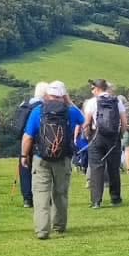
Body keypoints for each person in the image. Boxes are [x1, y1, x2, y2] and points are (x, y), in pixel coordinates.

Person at [21, 81, 84, 239]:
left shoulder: (38, 111)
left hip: (40, 157)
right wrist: (70, 103)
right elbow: (85, 122)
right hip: (63, 159)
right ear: (64, 96)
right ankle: (59, 225)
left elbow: (28, 136)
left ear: (47, 95)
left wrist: (24, 156)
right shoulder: (70, 111)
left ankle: (42, 230)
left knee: (41, 193)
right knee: (60, 193)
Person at [83, 79, 127, 209]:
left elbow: (87, 122)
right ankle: (115, 198)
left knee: (96, 167)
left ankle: (96, 201)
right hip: (113, 137)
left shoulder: (92, 102)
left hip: (97, 136)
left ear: (97, 89)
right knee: (114, 168)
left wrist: (87, 135)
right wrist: (120, 134)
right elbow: (124, 122)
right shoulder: (116, 101)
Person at [15, 82, 48, 208]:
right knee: (40, 170)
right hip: (38, 141)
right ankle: (40, 197)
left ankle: (27, 199)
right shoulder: (42, 107)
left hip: (23, 140)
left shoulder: (24, 105)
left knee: (24, 168)